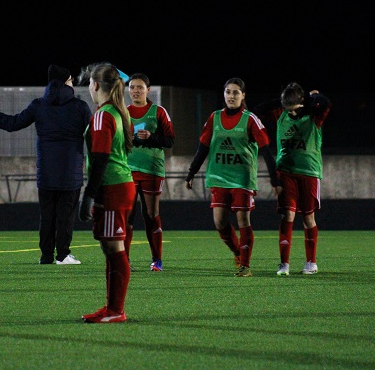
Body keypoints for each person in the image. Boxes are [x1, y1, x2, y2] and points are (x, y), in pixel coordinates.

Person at [0, 64, 91, 265]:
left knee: (47, 215)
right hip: (71, 170)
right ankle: (63, 255)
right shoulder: (80, 106)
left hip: (46, 172)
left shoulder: (38, 105)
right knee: (66, 215)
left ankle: (46, 255)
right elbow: (93, 134)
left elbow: (15, 123)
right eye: (70, 80)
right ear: (65, 82)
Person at [184, 78, 280, 277]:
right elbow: (203, 147)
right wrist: (191, 172)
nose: (231, 96)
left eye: (236, 92)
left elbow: (265, 150)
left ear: (243, 95)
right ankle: (238, 252)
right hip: (219, 176)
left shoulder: (250, 119)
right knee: (219, 222)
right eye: (228, 92)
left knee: (243, 219)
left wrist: (274, 179)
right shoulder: (214, 117)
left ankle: (245, 265)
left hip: (242, 179)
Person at [252, 82, 332, 276]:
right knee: (287, 215)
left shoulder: (313, 115)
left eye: (294, 108)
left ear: (302, 102)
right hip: (286, 172)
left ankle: (311, 262)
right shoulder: (281, 114)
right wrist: (283, 101)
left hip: (309, 172)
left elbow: (326, 103)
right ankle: (284, 264)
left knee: (308, 217)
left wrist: (311, 97)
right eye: (288, 108)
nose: (292, 113)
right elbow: (257, 111)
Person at [77, 62, 135, 323]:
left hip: (113, 188)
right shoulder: (117, 112)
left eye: (90, 83)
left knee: (114, 248)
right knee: (110, 248)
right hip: (116, 186)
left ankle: (115, 310)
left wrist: (88, 195)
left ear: (96, 85)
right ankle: (112, 308)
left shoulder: (103, 115)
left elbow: (100, 157)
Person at [125, 73, 175, 272]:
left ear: (148, 89)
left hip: (152, 170)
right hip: (128, 170)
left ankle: (157, 260)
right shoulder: (123, 112)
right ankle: (124, 260)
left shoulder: (158, 112)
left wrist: (151, 137)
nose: (135, 91)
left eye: (139, 87)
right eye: (132, 87)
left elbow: (170, 140)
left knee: (151, 214)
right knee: (127, 216)